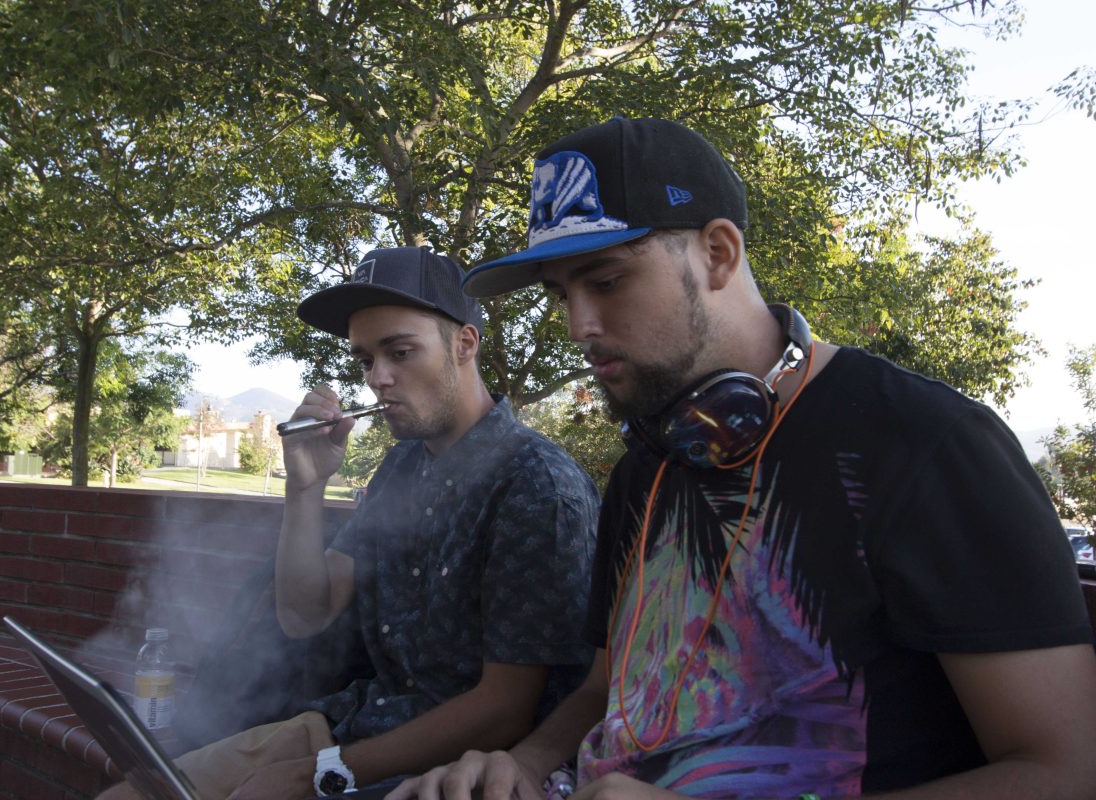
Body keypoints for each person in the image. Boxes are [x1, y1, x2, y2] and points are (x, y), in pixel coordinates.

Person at [387, 118, 1096, 800]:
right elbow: (610, 689)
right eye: (562, 294)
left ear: (719, 254)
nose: (580, 327)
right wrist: (526, 764)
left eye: (605, 282)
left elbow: (1064, 774)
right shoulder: (647, 464)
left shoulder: (929, 445)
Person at [100, 246, 600, 800]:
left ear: (464, 344)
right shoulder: (403, 465)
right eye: (365, 360)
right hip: (356, 727)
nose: (378, 379)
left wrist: (313, 774)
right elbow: (304, 613)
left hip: (462, 770)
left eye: (400, 352)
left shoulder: (536, 484)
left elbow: (505, 711)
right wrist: (305, 487)